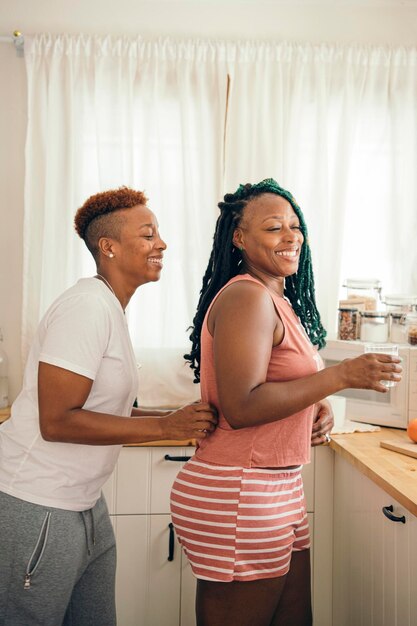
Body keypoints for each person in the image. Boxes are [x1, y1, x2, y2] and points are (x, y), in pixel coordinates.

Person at [170, 178, 402, 626]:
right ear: (239, 238)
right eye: (274, 227)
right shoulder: (246, 297)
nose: (291, 236)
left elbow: (274, 384)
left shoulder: (275, 299)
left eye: (295, 226)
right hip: (240, 489)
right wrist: (340, 376)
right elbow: (241, 406)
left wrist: (313, 405)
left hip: (274, 487)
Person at [0, 187, 217, 626]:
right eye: (148, 233)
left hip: (85, 506)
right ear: (109, 247)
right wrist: (164, 428)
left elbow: (104, 406)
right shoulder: (85, 308)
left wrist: (173, 418)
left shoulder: (109, 308)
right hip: (38, 503)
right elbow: (57, 421)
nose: (162, 243)